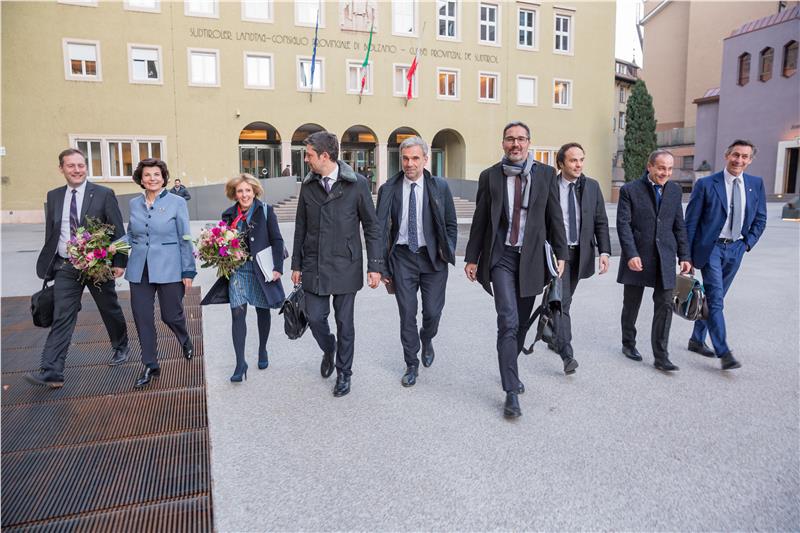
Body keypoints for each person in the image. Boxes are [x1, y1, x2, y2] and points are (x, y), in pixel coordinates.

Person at [464, 121, 567, 419]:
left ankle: (510, 365)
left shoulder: (545, 175)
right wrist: (472, 257)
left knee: (521, 323)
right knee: (507, 320)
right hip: (501, 258)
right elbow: (481, 219)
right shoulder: (490, 176)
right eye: (510, 139)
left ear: (529, 143)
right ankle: (510, 391)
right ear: (503, 144)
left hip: (532, 259)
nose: (515, 144)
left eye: (521, 139)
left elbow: (555, 217)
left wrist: (561, 253)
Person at [25, 148, 129, 388]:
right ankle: (52, 371)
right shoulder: (54, 196)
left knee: (109, 308)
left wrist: (119, 262)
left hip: (97, 265)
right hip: (66, 266)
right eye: (71, 166)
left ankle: (121, 345)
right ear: (61, 168)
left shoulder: (103, 194)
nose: (77, 170)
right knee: (62, 315)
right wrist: (52, 264)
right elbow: (52, 232)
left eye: (81, 165)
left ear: (86, 167)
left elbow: (118, 231)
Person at [291, 131, 383, 397]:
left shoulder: (357, 184)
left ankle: (344, 373)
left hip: (346, 264)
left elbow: (372, 227)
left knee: (345, 322)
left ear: (324, 156)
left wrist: (374, 265)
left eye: (309, 155)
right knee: (314, 317)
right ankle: (328, 347)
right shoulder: (308, 185)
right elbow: (300, 226)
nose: (306, 159)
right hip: (314, 264)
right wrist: (296, 264)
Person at [375, 136, 457, 387]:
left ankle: (427, 337)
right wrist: (380, 266)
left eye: (415, 158)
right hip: (402, 258)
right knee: (407, 314)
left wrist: (447, 250)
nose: (409, 163)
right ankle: (411, 363)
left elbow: (451, 224)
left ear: (425, 159)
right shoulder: (388, 189)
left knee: (432, 312)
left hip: (433, 260)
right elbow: (379, 230)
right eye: (405, 158)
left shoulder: (439, 187)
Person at [684, 139, 767, 370]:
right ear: (727, 155)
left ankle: (696, 340)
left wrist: (746, 244)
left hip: (736, 249)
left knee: (714, 299)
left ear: (750, 160)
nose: (739, 160)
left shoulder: (756, 184)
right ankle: (724, 352)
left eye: (744, 156)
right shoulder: (706, 184)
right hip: (710, 248)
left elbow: (760, 218)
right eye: (735, 155)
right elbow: (690, 222)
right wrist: (686, 256)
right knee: (716, 299)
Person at [203, 174, 285, 381]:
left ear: (255, 191)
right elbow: (221, 242)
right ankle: (240, 363)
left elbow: (277, 240)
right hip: (238, 271)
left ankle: (263, 349)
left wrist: (277, 267)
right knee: (237, 314)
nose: (244, 194)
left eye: (248, 190)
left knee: (262, 311)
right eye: (240, 191)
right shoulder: (229, 214)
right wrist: (215, 252)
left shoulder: (266, 211)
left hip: (261, 270)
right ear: (234, 194)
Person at [617, 149, 692, 372]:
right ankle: (628, 343)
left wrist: (685, 256)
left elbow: (679, 225)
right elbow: (623, 225)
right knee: (631, 304)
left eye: (669, 169)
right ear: (649, 166)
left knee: (665, 305)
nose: (665, 173)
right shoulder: (630, 190)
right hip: (638, 255)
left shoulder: (675, 190)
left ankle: (661, 356)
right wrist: (631, 254)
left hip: (665, 256)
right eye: (661, 168)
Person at [125, 158, 196, 389]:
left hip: (170, 268)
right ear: (141, 179)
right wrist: (110, 248)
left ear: (164, 177)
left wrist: (188, 270)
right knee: (142, 316)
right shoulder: (134, 203)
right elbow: (131, 235)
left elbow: (185, 237)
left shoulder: (177, 202)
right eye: (147, 175)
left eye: (156, 174)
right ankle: (150, 364)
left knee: (171, 315)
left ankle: (184, 338)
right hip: (139, 270)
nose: (152, 179)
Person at [547, 142, 612, 375]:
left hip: (581, 252)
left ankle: (552, 331)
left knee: (565, 299)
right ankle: (567, 353)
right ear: (561, 163)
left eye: (581, 160)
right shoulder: (550, 186)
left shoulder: (592, 186)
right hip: (557, 254)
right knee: (562, 301)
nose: (579, 165)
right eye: (573, 160)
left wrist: (604, 252)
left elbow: (601, 221)